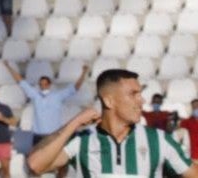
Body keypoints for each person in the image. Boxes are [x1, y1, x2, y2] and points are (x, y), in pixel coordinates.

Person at [27, 69, 196, 176]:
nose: (142, 100)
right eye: (133, 94)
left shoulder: (159, 140)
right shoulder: (82, 141)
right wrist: (74, 123)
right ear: (109, 101)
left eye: (140, 94)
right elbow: (36, 165)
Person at [6, 60, 88, 178]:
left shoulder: (57, 96)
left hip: (54, 135)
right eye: (41, 84)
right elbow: (21, 82)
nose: (43, 86)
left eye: (45, 84)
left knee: (62, 163)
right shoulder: (35, 95)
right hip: (39, 136)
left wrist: (84, 73)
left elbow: (75, 88)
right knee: (35, 166)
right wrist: (8, 67)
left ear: (49, 85)